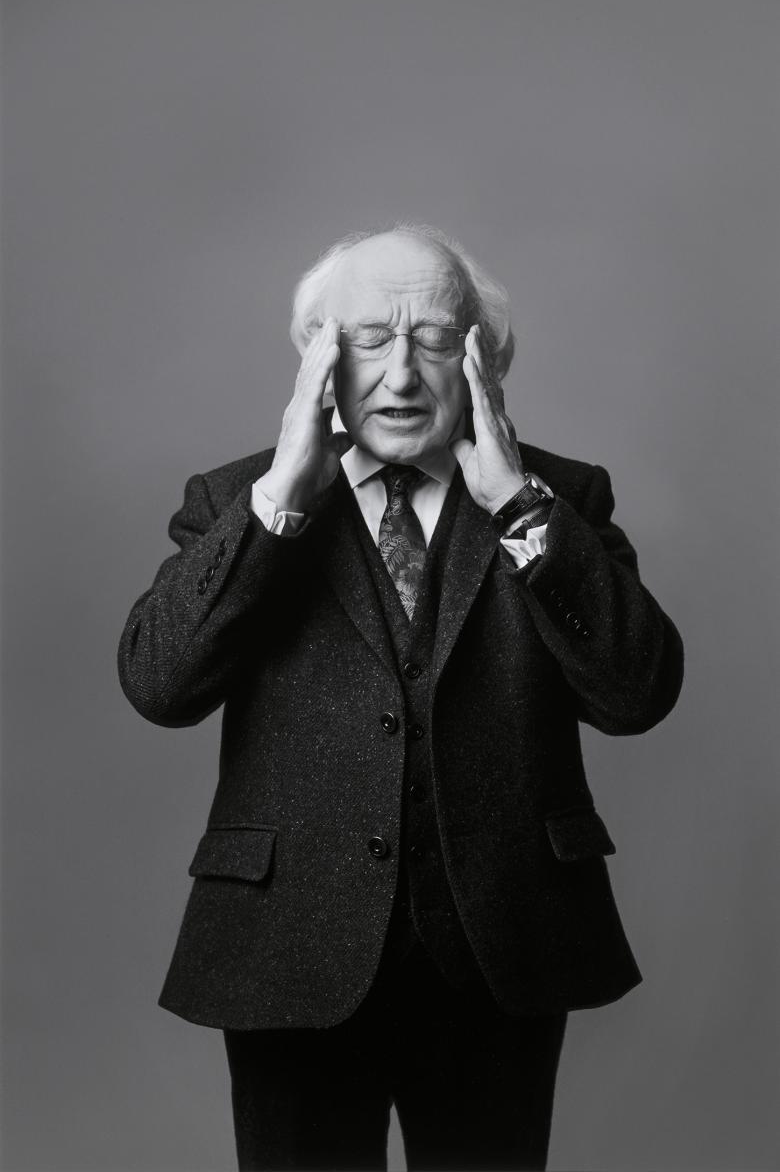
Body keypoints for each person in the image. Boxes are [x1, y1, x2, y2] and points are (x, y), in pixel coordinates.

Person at [117, 223, 684, 1171]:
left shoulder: (562, 497)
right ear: (318, 362)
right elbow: (158, 684)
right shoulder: (232, 501)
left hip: (501, 944)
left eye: (433, 339)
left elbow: (638, 693)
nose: (402, 375)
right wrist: (277, 508)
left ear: (484, 360)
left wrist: (518, 505)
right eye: (369, 339)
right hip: (289, 942)